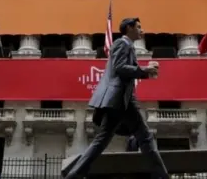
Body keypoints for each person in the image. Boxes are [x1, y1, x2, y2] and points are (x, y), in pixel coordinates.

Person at [62, 18, 169, 179]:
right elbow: (120, 68)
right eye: (138, 27)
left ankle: (74, 175)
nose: (142, 30)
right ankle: (162, 176)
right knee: (144, 137)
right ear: (129, 28)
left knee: (102, 140)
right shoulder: (122, 44)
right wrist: (145, 70)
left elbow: (126, 71)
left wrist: (144, 73)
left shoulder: (129, 46)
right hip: (120, 100)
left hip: (123, 100)